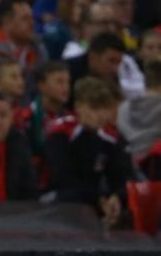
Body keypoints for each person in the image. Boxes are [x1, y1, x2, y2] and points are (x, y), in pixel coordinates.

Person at [46, 77, 130, 227]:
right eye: (94, 108)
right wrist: (99, 199)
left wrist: (116, 197)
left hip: (95, 200)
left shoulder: (111, 138)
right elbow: (62, 179)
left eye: (105, 109)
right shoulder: (62, 133)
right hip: (57, 197)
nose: (101, 115)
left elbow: (121, 177)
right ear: (79, 107)